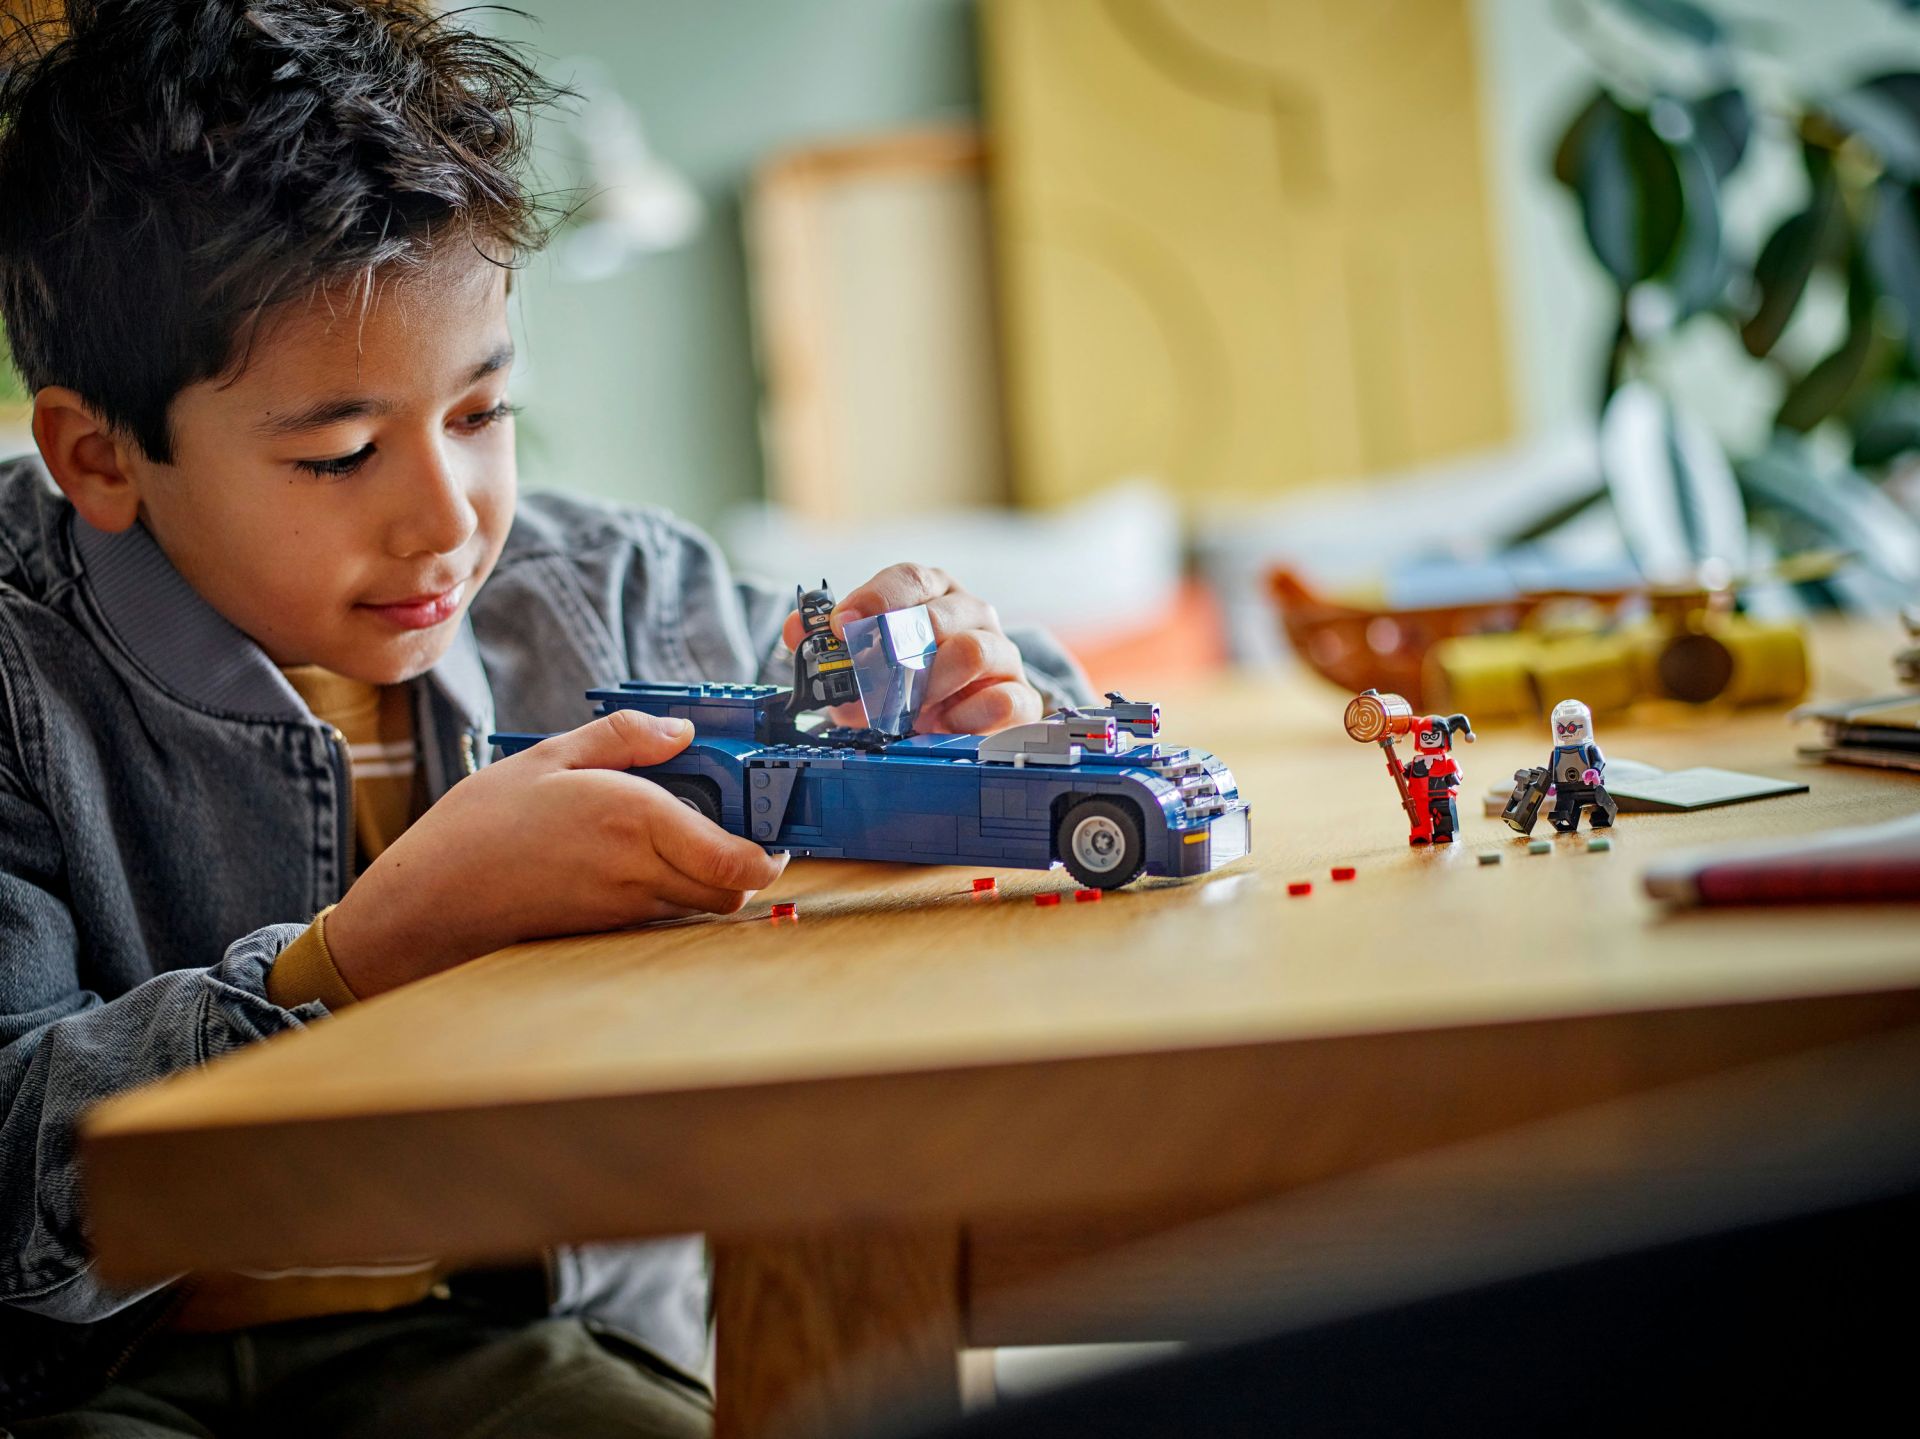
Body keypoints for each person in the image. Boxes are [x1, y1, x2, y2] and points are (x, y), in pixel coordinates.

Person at [0, 2, 1083, 1432]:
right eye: (341, 454)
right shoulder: (18, 671)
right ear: (97, 455)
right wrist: (353, 961)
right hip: (96, 1385)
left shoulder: (604, 591)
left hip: (521, 1347)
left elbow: (1034, 708)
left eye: (480, 416)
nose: (448, 523)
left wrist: (969, 696)